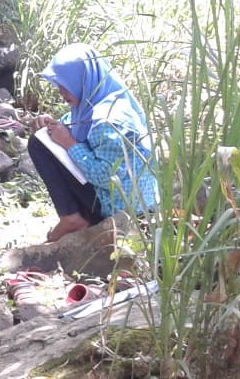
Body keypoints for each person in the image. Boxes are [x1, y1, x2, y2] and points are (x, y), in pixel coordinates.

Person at [31, 43, 158, 242]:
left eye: (65, 85)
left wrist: (70, 144)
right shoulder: (107, 99)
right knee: (44, 136)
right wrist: (52, 124)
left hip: (122, 207)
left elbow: (108, 178)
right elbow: (76, 125)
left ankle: (72, 218)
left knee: (37, 143)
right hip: (137, 201)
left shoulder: (108, 120)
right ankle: (75, 218)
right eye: (59, 85)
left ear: (83, 80)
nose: (61, 92)